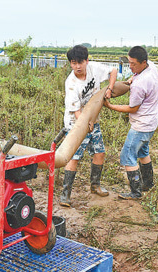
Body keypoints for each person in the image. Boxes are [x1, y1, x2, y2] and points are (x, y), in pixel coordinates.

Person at [60, 45, 117, 207]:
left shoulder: (94, 69)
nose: (77, 66)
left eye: (80, 62)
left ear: (87, 60)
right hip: (75, 124)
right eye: (73, 63)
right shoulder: (71, 83)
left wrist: (109, 89)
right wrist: (86, 124)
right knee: (74, 157)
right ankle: (66, 194)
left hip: (94, 121)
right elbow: (76, 111)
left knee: (100, 153)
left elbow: (113, 71)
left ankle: (95, 185)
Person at [104, 46, 158, 199]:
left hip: (141, 126)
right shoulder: (151, 68)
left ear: (143, 62)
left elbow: (133, 108)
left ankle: (135, 192)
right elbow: (138, 75)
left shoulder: (140, 83)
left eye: (134, 64)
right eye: (129, 62)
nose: (130, 66)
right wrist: (132, 76)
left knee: (128, 154)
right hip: (151, 122)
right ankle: (148, 184)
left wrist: (110, 106)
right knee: (143, 152)